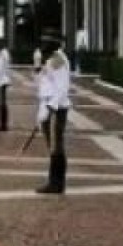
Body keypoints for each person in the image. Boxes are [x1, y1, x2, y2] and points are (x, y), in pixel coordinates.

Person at [34, 31, 71, 194]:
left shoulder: (58, 60)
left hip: (56, 108)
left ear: (55, 44)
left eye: (46, 42)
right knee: (53, 146)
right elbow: (43, 81)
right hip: (48, 106)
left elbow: (62, 87)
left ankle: (56, 183)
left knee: (56, 146)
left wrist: (51, 107)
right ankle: (55, 181)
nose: (43, 45)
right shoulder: (50, 59)